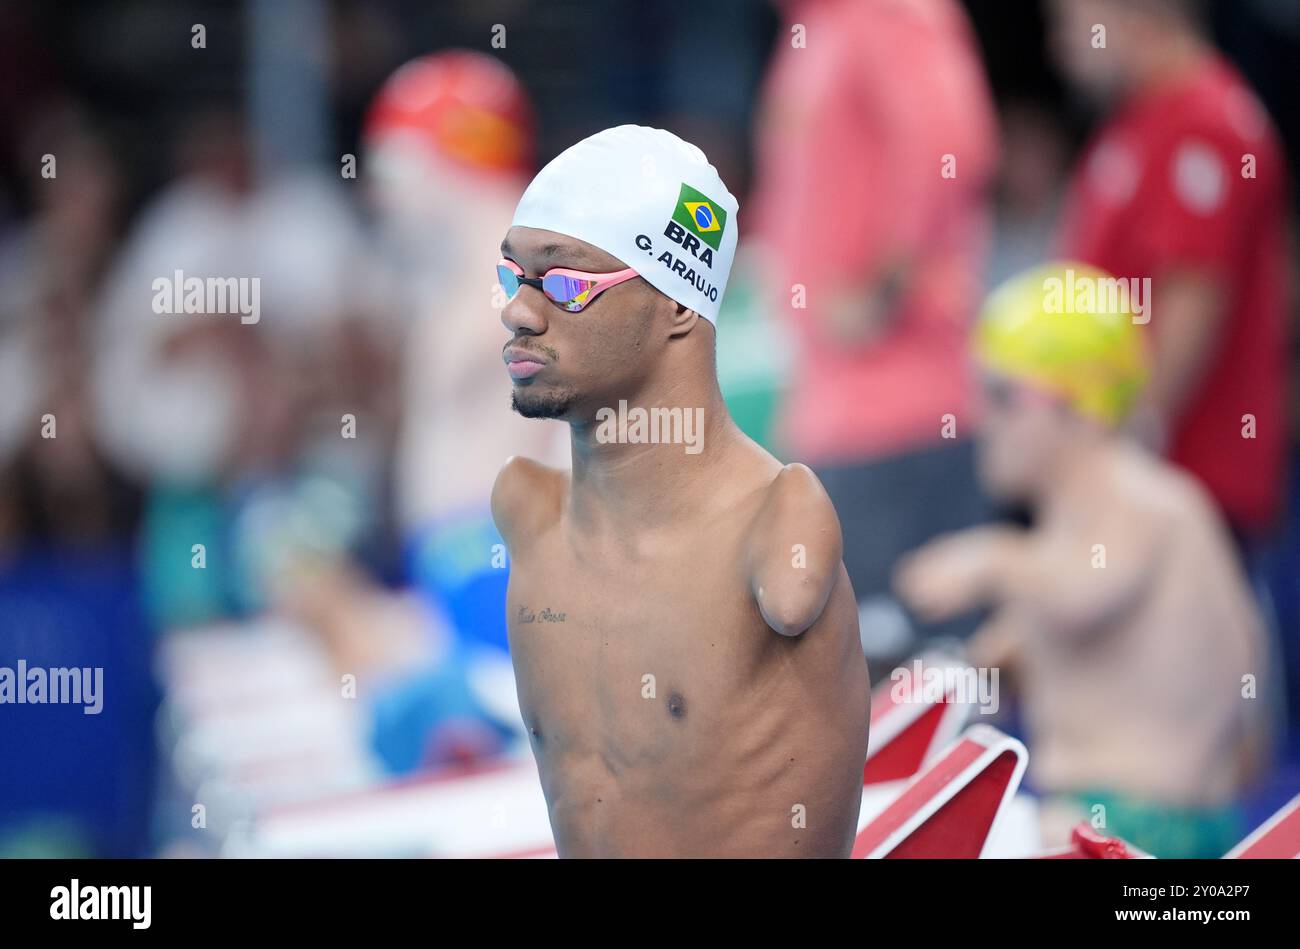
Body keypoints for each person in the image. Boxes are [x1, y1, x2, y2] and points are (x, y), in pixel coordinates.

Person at [491, 126, 870, 857]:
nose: (518, 312)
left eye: (566, 285)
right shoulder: (527, 512)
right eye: (513, 276)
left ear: (679, 305)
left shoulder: (777, 531)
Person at [894, 263, 1270, 858]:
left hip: (1145, 828)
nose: (980, 418)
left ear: (1084, 408)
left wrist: (990, 559)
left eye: (1002, 393)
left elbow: (1085, 589)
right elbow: (1024, 646)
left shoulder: (1143, 495)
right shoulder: (1067, 539)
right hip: (1117, 821)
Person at [750, 0, 999, 661]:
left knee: (906, 684)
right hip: (831, 409)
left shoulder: (889, 13)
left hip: (898, 415)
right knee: (847, 679)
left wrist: (885, 289)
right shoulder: (816, 30)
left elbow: (953, 144)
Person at [1048, 0, 1291, 542]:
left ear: (1136, 15)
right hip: (1141, 475)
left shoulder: (1206, 124)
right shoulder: (1139, 117)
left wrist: (1134, 438)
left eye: (1072, 20)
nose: (1059, 43)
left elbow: (1193, 297)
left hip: (1190, 482)